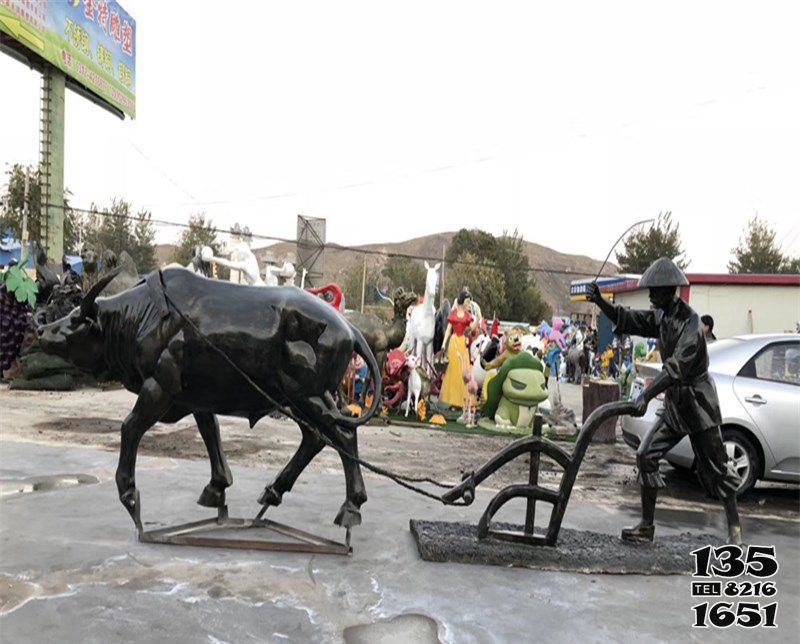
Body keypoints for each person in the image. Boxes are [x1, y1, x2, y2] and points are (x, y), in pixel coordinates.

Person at [586, 258, 742, 544]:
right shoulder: (660, 315)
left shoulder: (691, 323)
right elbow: (628, 319)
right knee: (646, 455)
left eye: (654, 290)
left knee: (718, 470)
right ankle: (646, 526)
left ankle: (735, 529)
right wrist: (600, 302)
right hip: (675, 405)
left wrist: (644, 395)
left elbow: (675, 368)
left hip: (699, 405)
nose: (649, 295)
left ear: (669, 290)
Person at [439, 289, 476, 408]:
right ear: (462, 300)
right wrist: (444, 344)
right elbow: (449, 330)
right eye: (467, 301)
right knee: (452, 371)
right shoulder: (453, 314)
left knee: (463, 371)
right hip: (454, 343)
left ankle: (463, 400)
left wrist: (478, 320)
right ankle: (453, 400)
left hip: (462, 343)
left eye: (469, 301)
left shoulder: (468, 316)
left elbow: (472, 329)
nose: (468, 303)